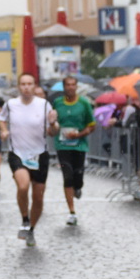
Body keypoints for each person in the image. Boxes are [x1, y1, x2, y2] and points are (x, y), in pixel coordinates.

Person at [4, 72, 58, 246]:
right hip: (17, 152)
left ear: (34, 86)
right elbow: (1, 120)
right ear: (19, 87)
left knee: (38, 197)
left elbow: (53, 131)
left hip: (39, 154)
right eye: (23, 84)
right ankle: (25, 219)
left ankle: (31, 229)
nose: (26, 87)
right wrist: (3, 131)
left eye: (29, 84)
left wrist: (53, 123)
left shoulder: (43, 105)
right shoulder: (11, 104)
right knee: (23, 185)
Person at [51, 74, 95, 227]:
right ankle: (72, 212)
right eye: (67, 85)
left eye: (73, 85)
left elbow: (92, 125)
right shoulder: (57, 103)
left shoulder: (84, 103)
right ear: (64, 87)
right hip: (62, 145)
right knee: (67, 176)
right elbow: (53, 124)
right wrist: (53, 126)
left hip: (79, 145)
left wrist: (79, 134)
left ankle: (78, 187)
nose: (70, 87)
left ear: (76, 87)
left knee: (78, 176)